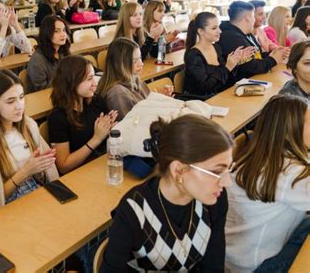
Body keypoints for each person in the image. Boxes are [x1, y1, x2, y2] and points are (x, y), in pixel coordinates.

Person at [100, 114, 234, 272]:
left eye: (228, 169)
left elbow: (213, 265)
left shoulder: (215, 198)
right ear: (178, 170)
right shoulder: (133, 212)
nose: (227, 182)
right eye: (217, 171)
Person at [226, 95, 310, 272]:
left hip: (236, 255)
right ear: (289, 131)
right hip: (258, 265)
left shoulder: (267, 155)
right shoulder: (290, 174)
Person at [0, 69, 59, 219]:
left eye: (21, 97)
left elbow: (48, 177)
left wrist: (42, 167)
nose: (20, 106)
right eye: (11, 101)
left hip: (39, 197)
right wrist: (26, 171)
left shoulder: (28, 126)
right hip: (9, 212)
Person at [49, 55, 117, 174]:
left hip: (102, 163)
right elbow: (63, 166)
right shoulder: (58, 118)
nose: (94, 83)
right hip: (80, 174)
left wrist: (110, 129)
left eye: (94, 77)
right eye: (89, 79)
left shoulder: (97, 101)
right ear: (72, 82)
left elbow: (106, 140)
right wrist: (96, 139)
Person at [184, 12, 254, 98]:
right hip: (202, 101)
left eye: (218, 27)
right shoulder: (193, 56)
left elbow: (225, 81)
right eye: (214, 28)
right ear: (201, 31)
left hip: (219, 96)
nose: (220, 31)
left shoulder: (217, 48)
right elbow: (206, 87)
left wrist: (237, 62)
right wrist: (228, 67)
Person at [218, 1, 288, 83]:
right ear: (248, 17)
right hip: (237, 87)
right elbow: (250, 67)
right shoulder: (230, 37)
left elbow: (257, 55)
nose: (254, 20)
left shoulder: (246, 34)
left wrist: (276, 53)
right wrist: (273, 59)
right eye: (253, 17)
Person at [96, 38, 150, 121]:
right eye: (135, 61)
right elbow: (130, 126)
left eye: (140, 58)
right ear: (120, 64)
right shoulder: (117, 93)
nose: (141, 64)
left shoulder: (135, 79)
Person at [27, 15, 71, 92]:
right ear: (47, 33)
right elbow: (40, 90)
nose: (63, 34)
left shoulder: (63, 52)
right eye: (57, 31)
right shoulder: (37, 60)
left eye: (64, 30)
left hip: (64, 93)